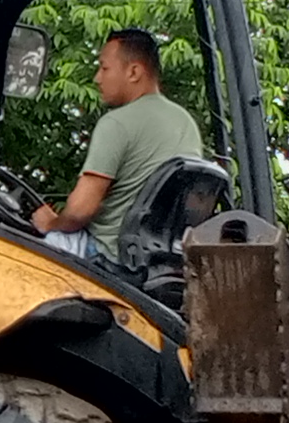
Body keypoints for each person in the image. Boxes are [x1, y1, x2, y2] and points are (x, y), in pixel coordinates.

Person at [33, 28, 205, 260]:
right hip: (158, 261)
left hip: (108, 255)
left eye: (104, 68)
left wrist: (51, 222)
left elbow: (78, 212)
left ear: (134, 72)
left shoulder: (116, 123)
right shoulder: (185, 123)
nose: (97, 78)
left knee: (37, 248)